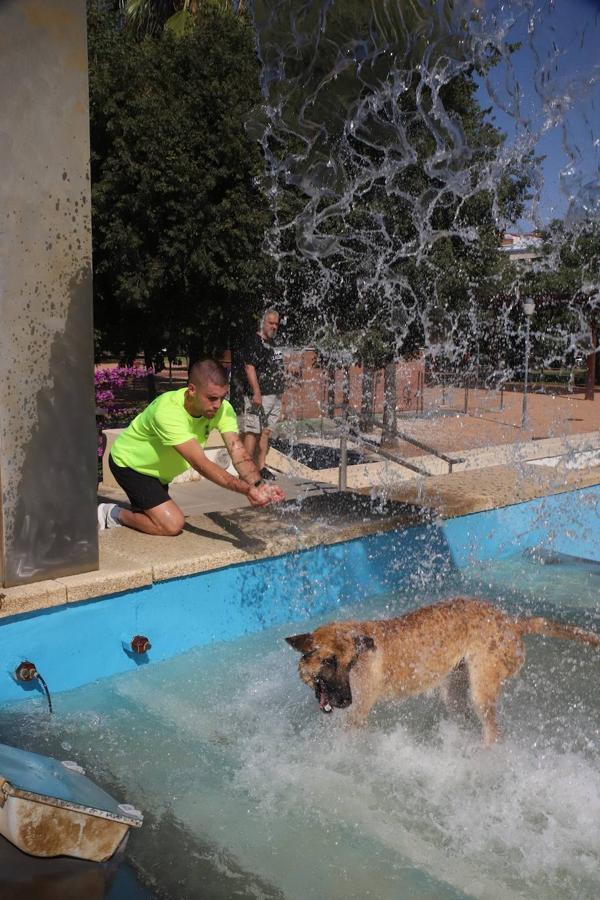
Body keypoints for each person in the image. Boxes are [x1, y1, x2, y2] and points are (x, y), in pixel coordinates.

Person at [97, 359, 284, 536]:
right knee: (172, 525)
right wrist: (245, 490)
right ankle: (112, 514)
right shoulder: (168, 411)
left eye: (221, 397)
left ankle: (137, 510)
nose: (218, 405)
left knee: (154, 516)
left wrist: (258, 485)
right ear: (192, 390)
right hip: (131, 465)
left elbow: (238, 452)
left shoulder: (223, 409)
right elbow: (200, 463)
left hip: (159, 473)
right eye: (212, 398)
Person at [232, 309, 285, 480]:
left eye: (276, 323)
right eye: (271, 323)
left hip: (274, 395)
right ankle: (246, 472)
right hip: (259, 396)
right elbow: (249, 367)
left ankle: (261, 467)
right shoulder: (254, 342)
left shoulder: (273, 342)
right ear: (263, 322)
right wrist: (256, 393)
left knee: (265, 431)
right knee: (252, 432)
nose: (274, 326)